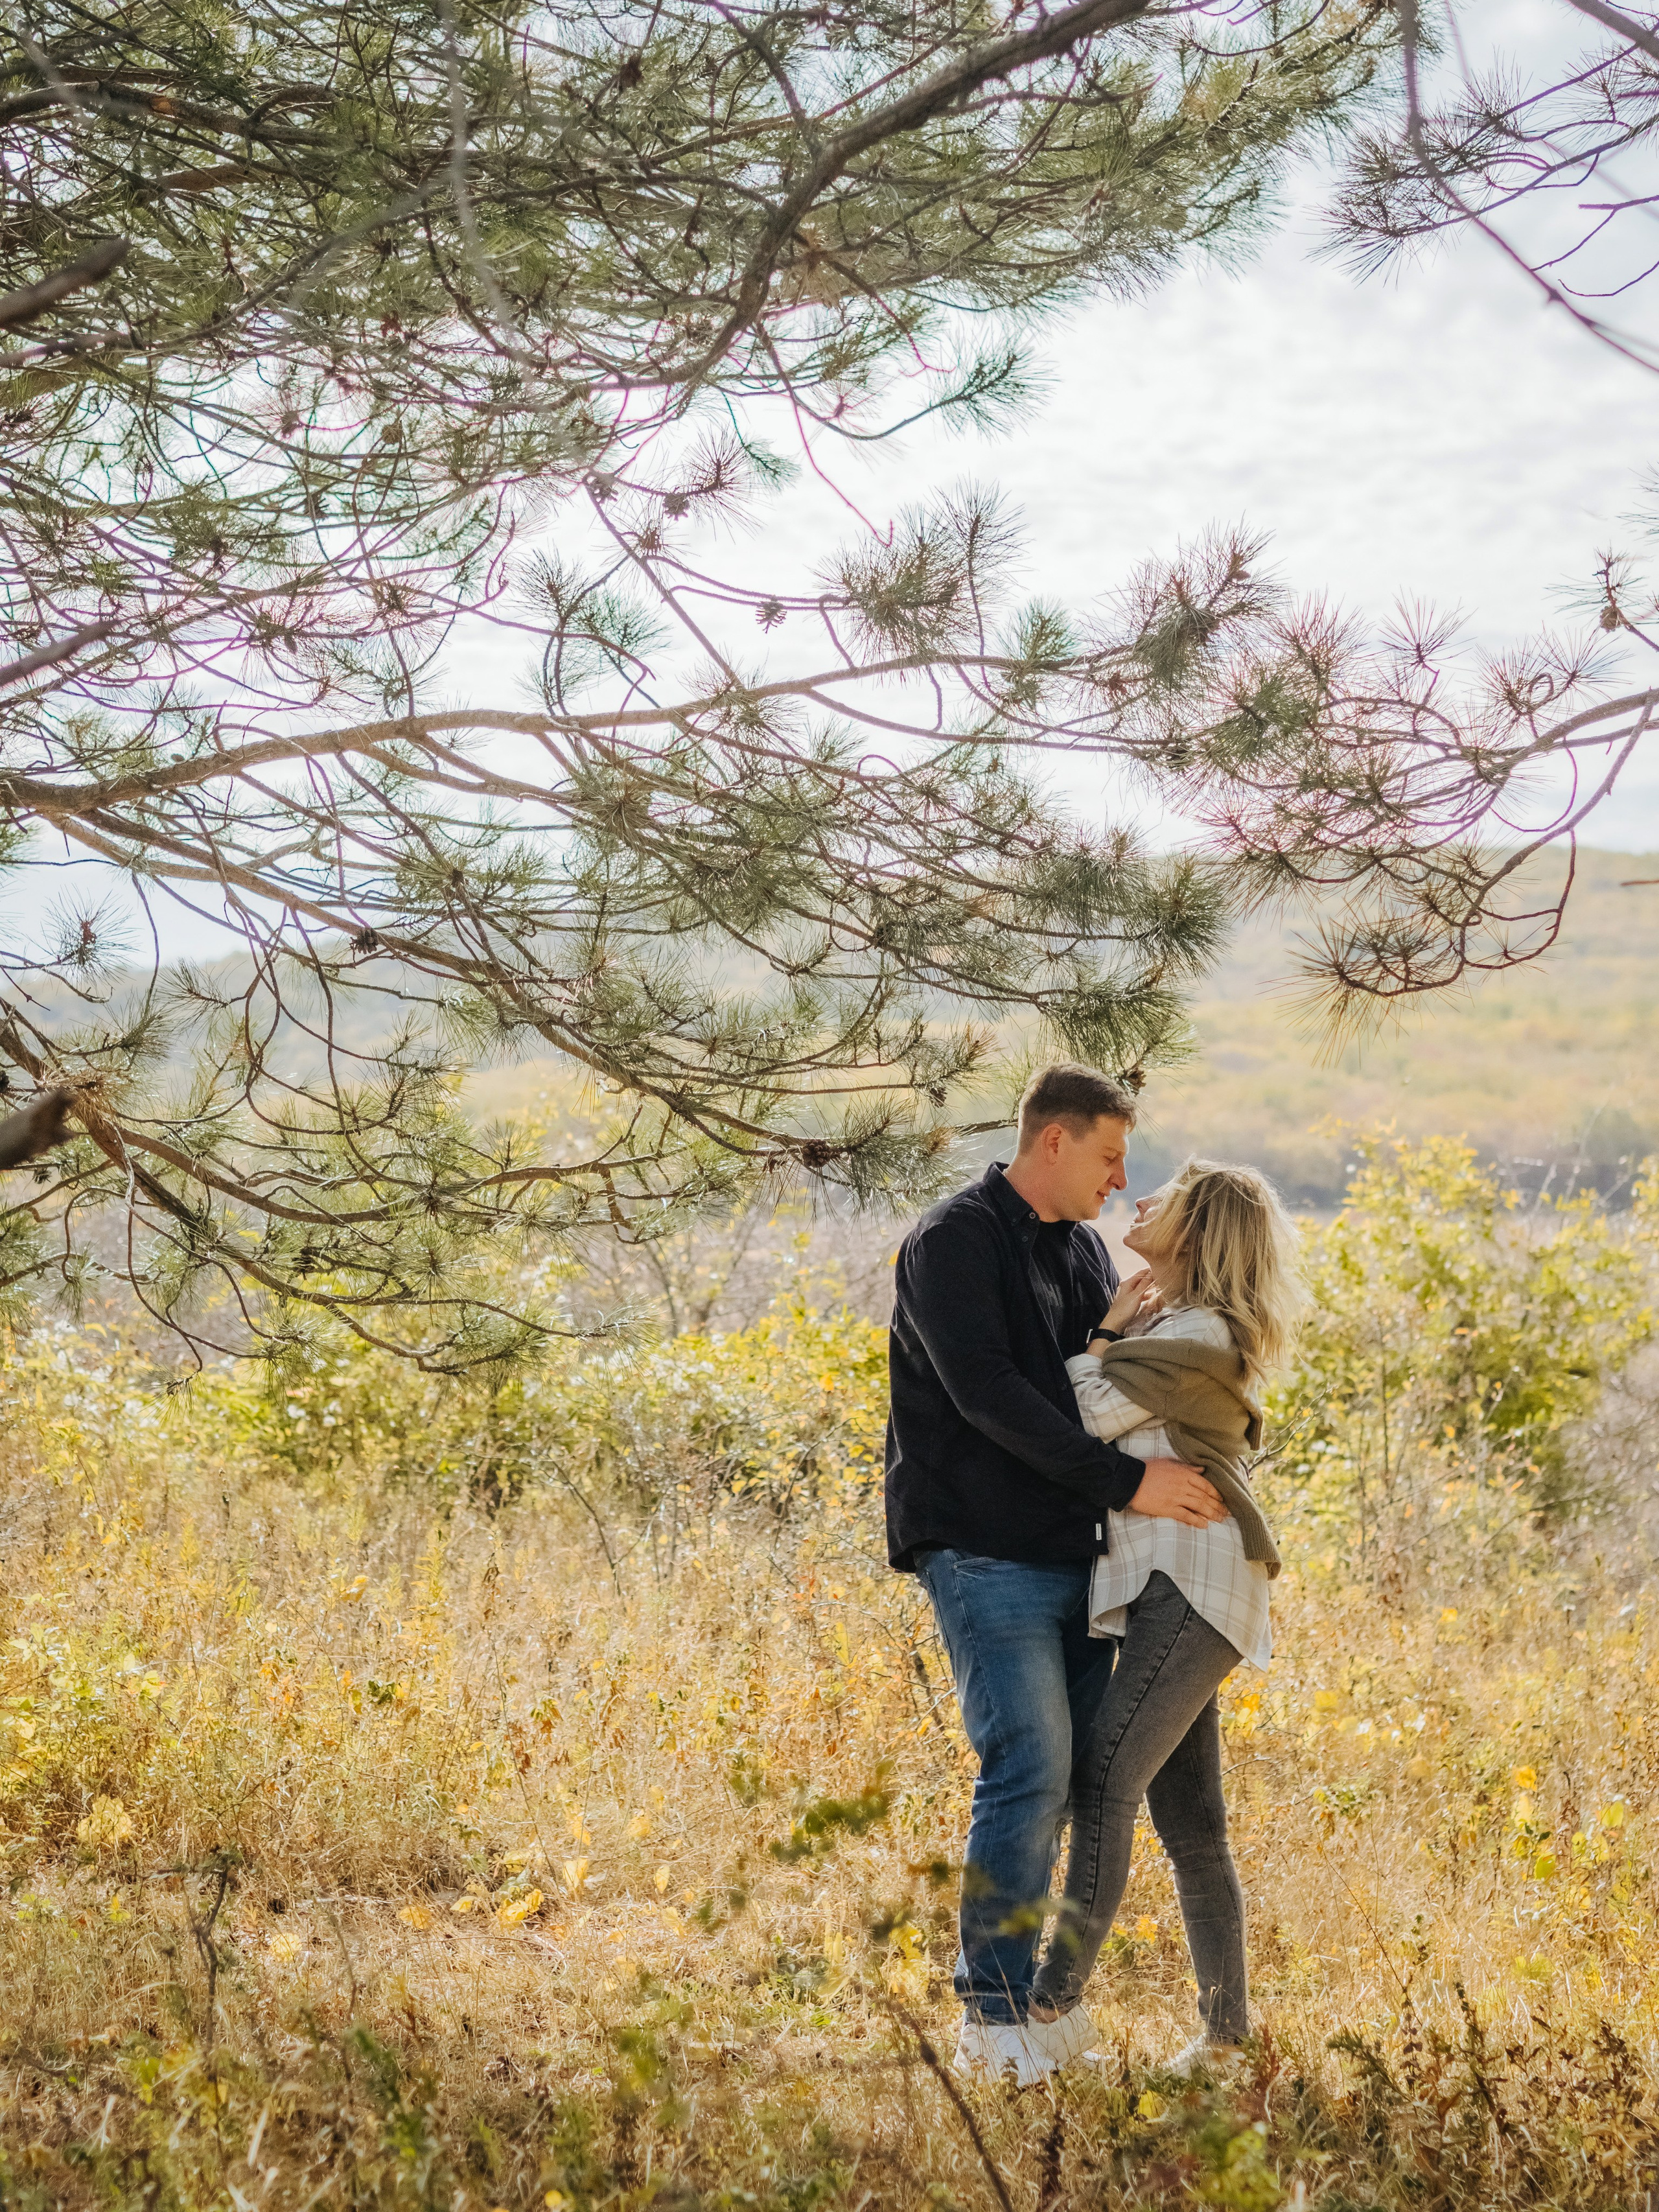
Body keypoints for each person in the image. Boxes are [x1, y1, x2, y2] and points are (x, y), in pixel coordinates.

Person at [886, 1064, 1227, 2088]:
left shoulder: (1079, 1248)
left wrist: (1119, 1334)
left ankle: (1038, 2013)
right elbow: (992, 1396)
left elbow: (1078, 1387)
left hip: (1078, 1555)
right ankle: (990, 2020)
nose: (1121, 1181)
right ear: (1053, 1143)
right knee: (1028, 1763)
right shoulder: (952, 1241)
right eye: (1111, 1156)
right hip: (980, 1548)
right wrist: (1133, 1484)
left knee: (1083, 1777)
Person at [1027, 1158, 1303, 2076]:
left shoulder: (1191, 1334)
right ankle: (1228, 2045)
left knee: (1103, 1776)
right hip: (1185, 1589)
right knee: (1193, 1824)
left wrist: (1102, 1332)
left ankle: (1048, 2000)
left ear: (1196, 1229)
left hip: (1193, 1585)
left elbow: (1073, 1417)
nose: (1140, 1198)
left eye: (1166, 1195)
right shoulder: (1177, 1324)